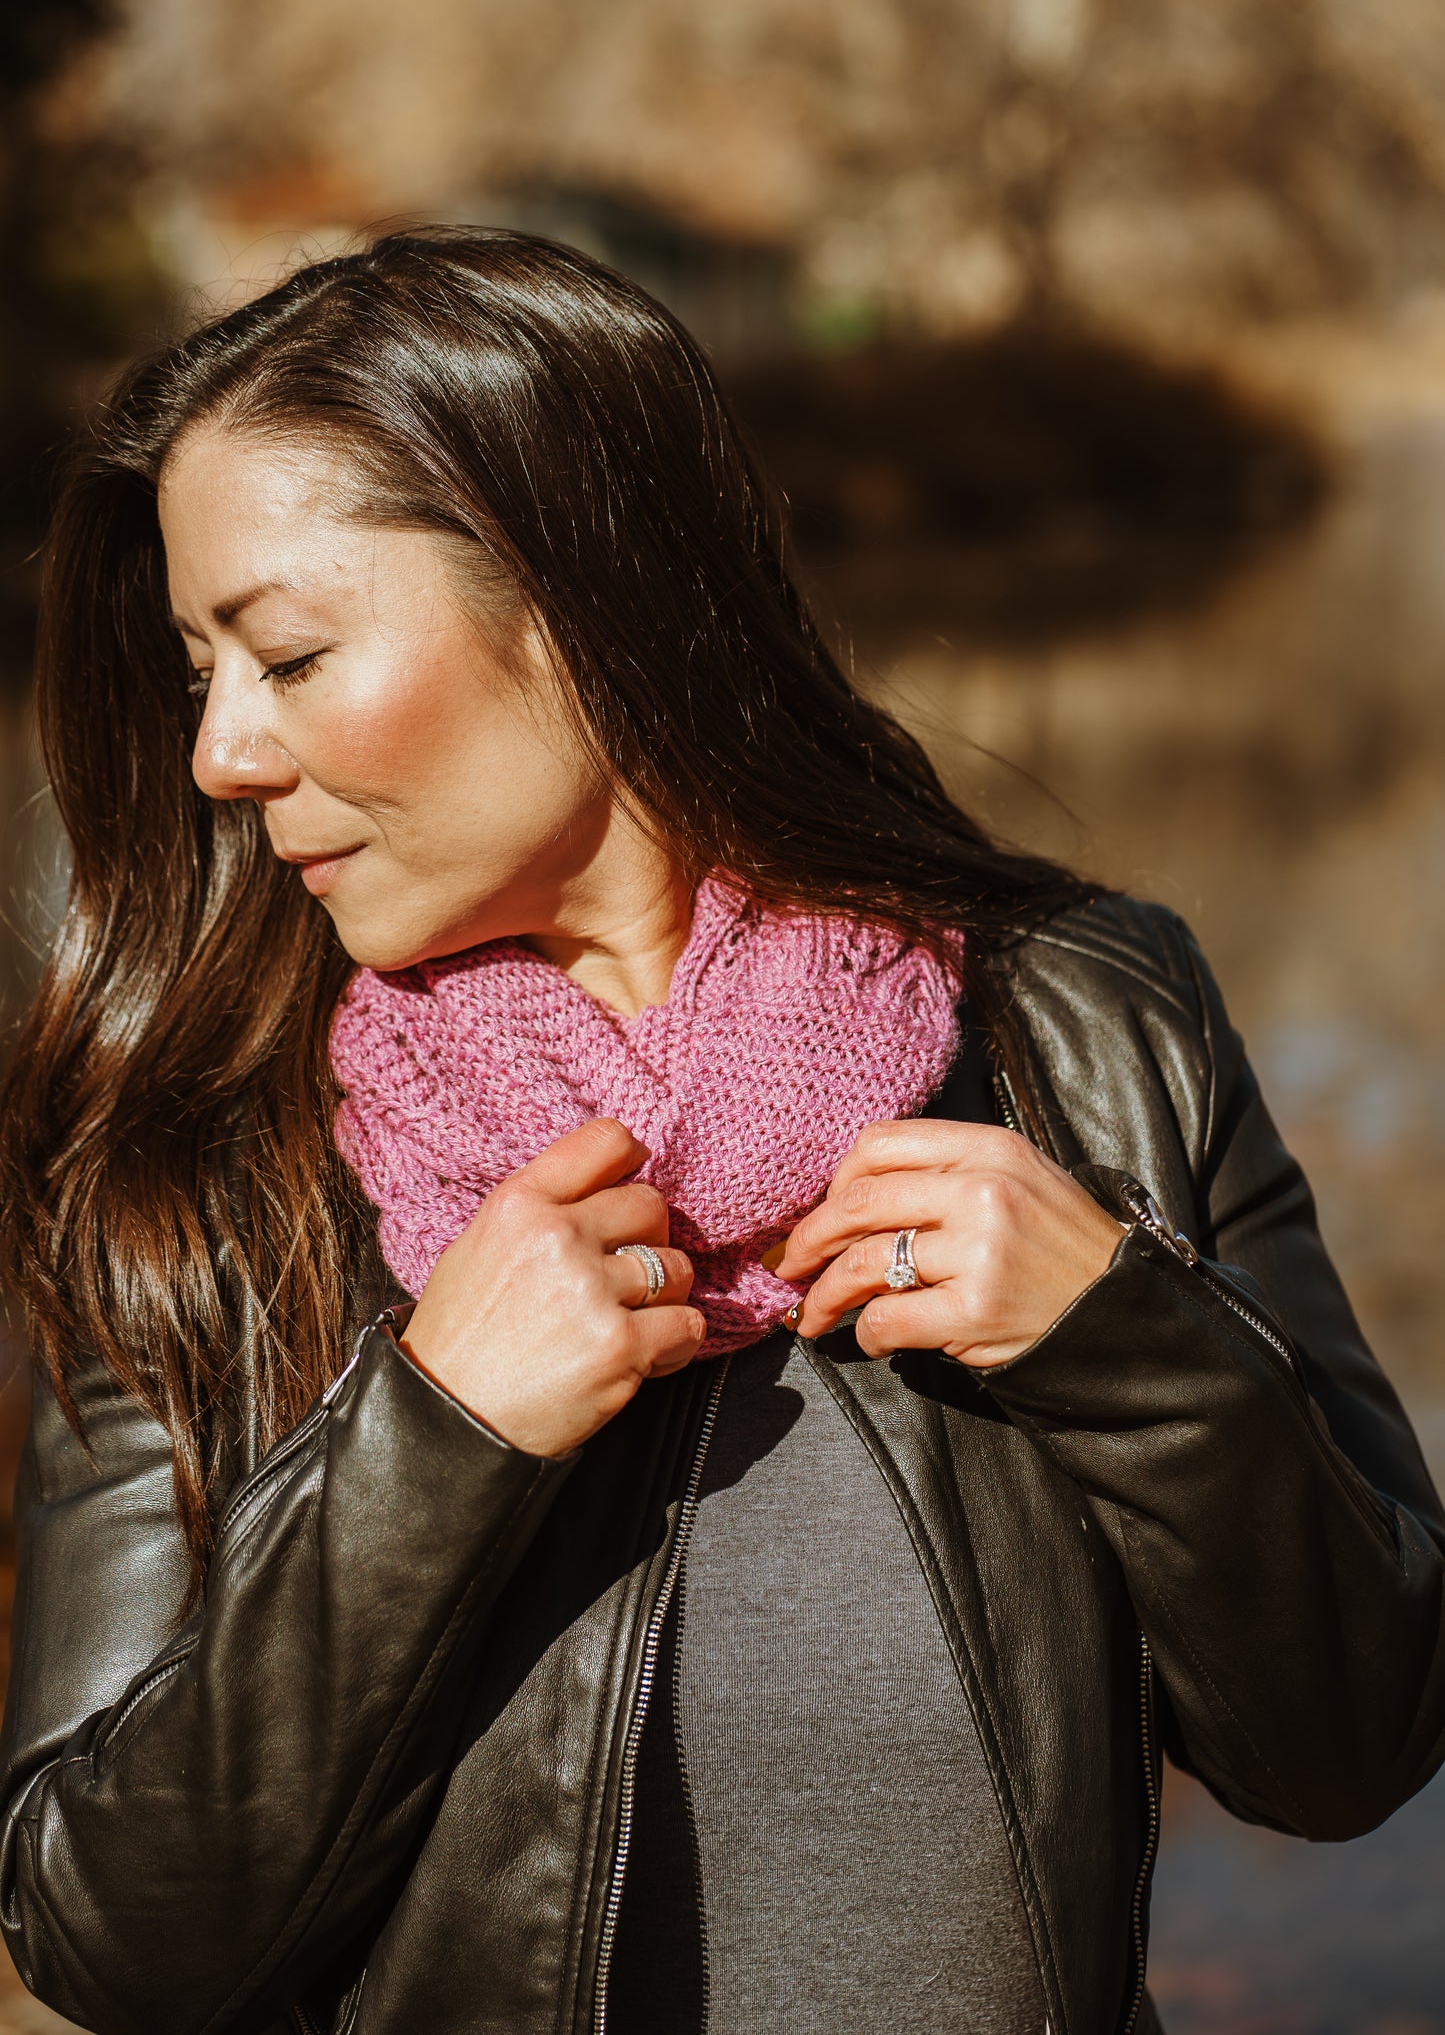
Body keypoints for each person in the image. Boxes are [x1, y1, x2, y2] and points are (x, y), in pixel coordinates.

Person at [0, 226, 1440, 2035]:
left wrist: (1129, 1346)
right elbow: (107, 1948)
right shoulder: (197, 1153)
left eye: (285, 654)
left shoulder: (1085, 1023)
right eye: (201, 666)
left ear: (578, 591)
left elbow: (1353, 1749)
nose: (222, 751)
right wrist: (433, 1448)